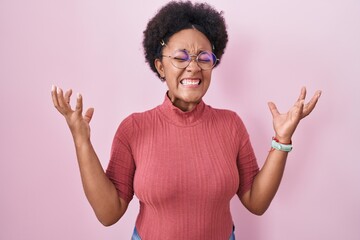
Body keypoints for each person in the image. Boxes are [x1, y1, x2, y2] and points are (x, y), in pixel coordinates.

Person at [51, 1, 321, 239]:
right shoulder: (133, 128)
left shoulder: (231, 125)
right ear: (160, 66)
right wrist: (81, 141)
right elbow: (109, 213)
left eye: (204, 57)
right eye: (180, 57)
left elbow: (256, 201)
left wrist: (282, 140)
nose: (193, 66)